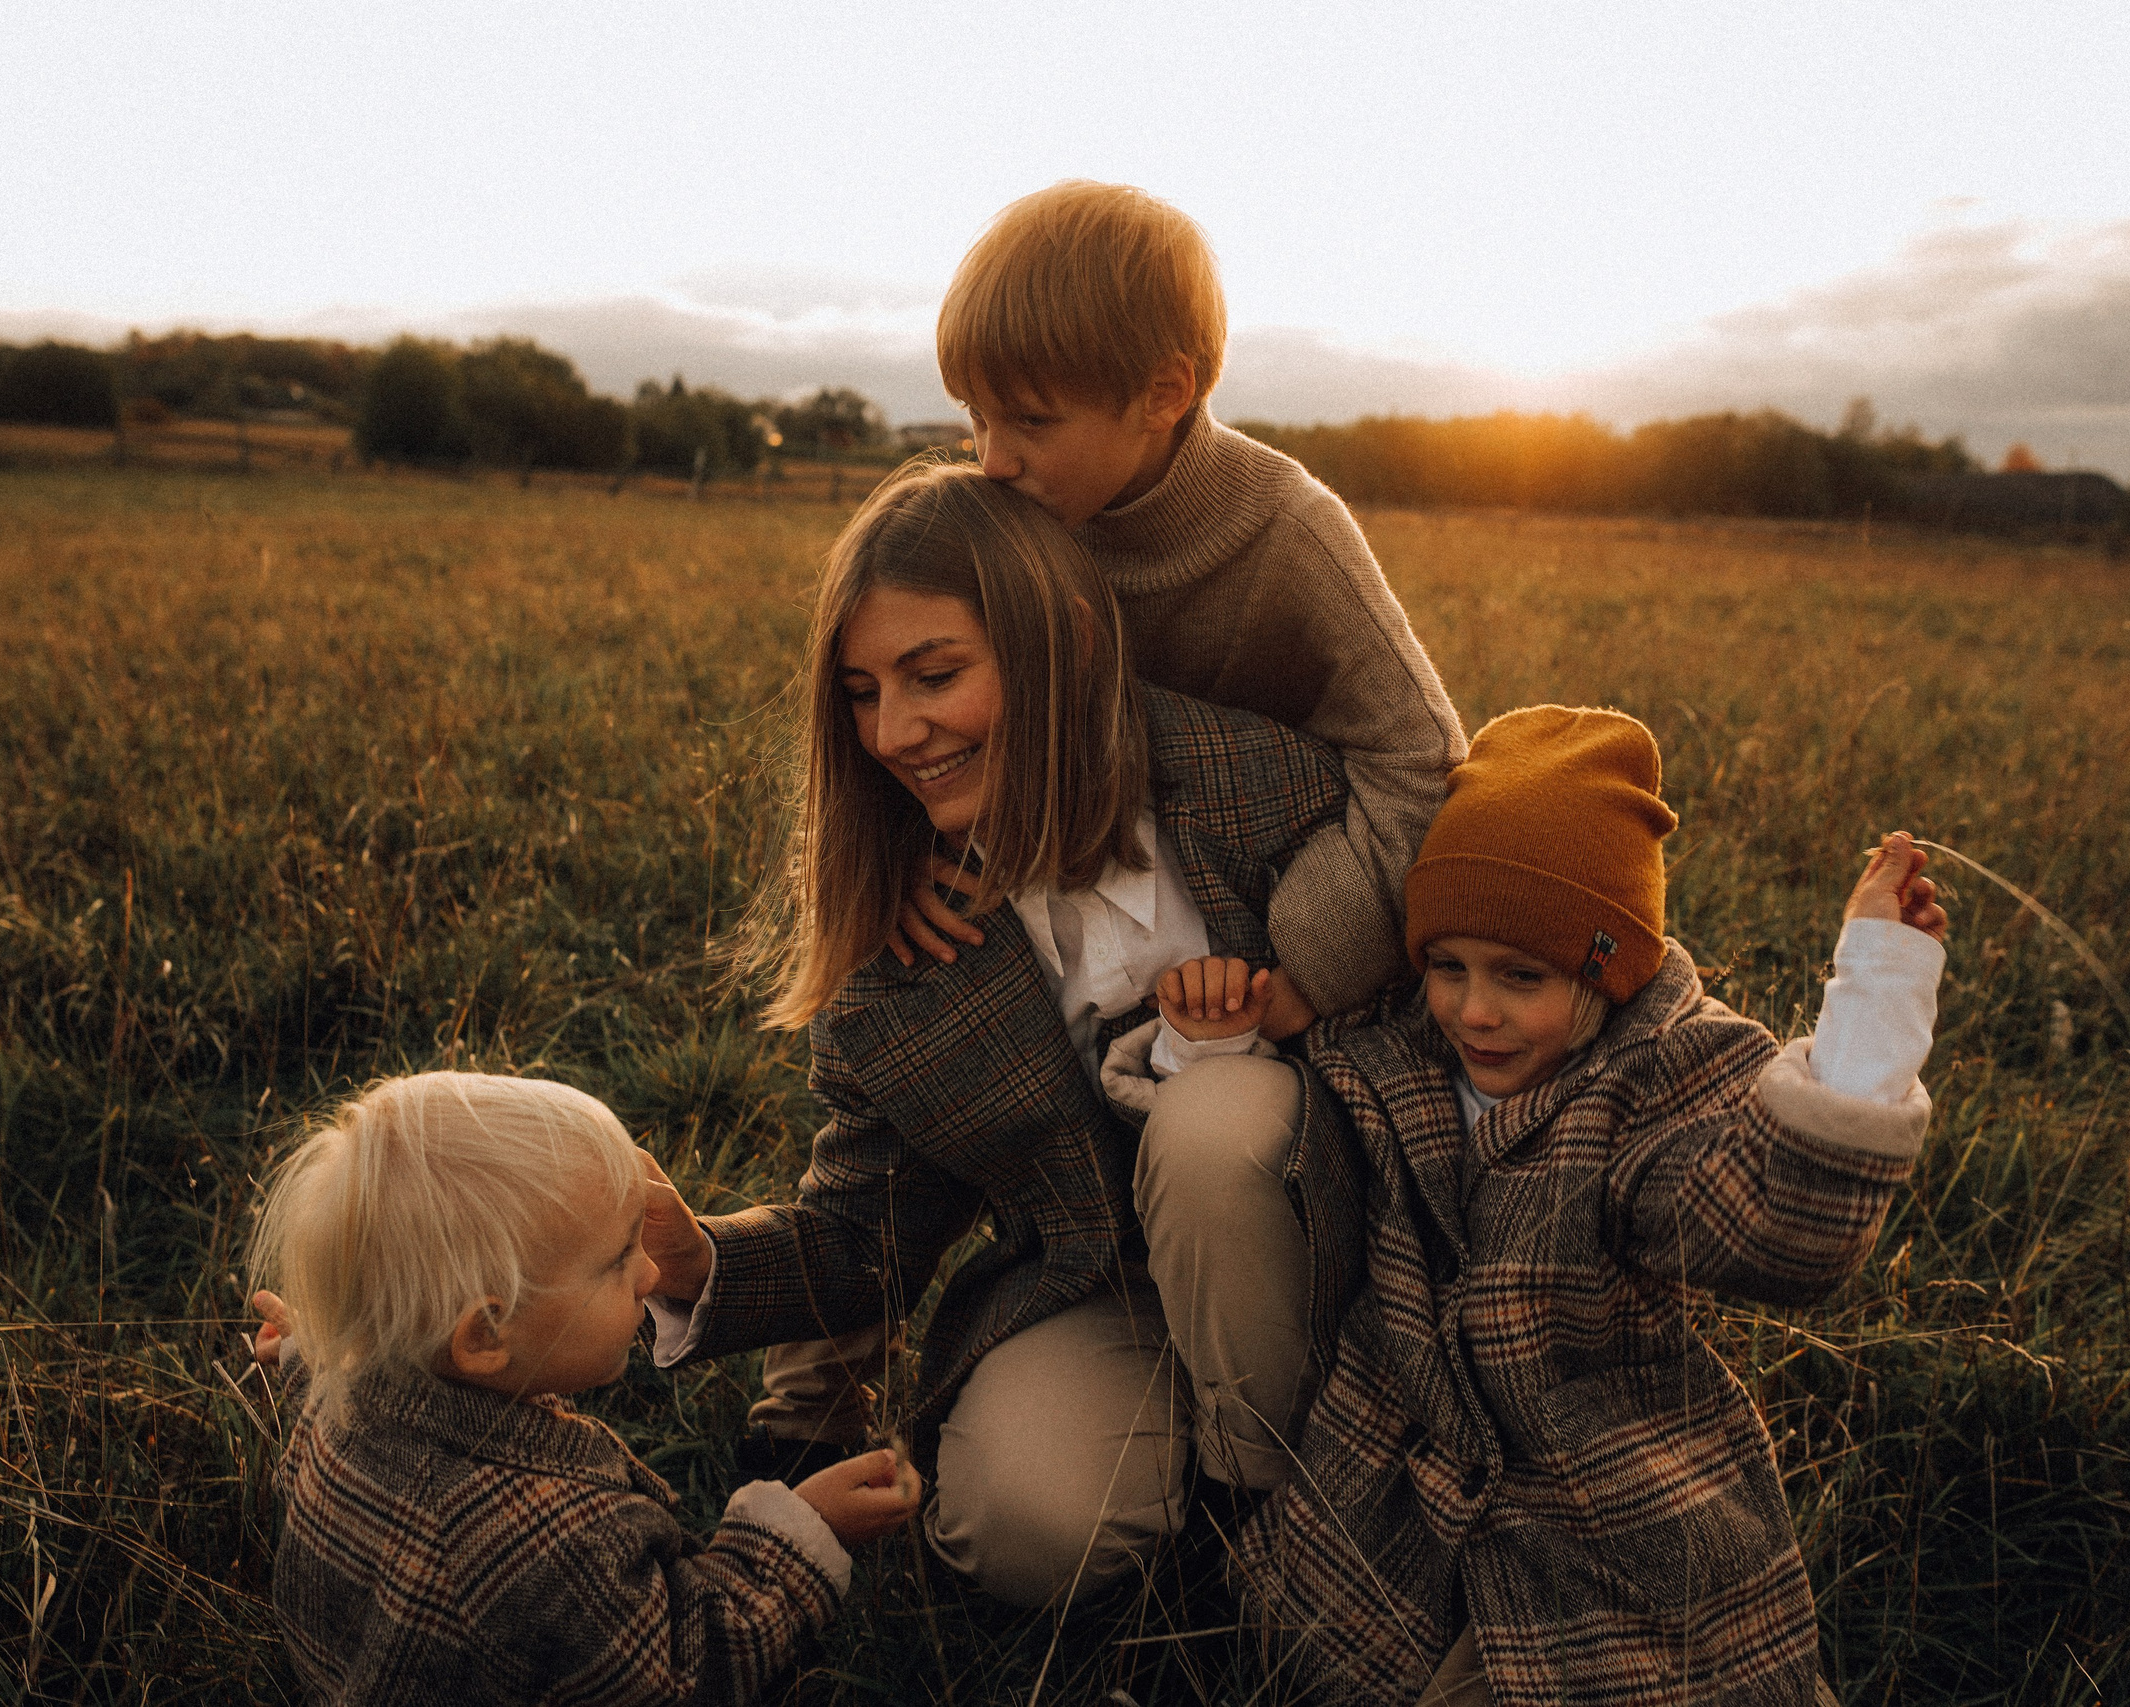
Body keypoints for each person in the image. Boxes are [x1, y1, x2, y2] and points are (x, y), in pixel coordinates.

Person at [743, 174, 1468, 1479]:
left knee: (1212, 1137)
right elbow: (908, 691)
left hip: (1263, 1003)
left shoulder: (1284, 533)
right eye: (974, 417)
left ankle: (1280, 1485)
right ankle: (1070, 1428)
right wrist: (909, 845)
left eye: (1028, 418)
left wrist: (1300, 969)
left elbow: (1421, 761)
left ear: (1164, 393)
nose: (992, 456)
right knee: (1010, 1509)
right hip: (1065, 985)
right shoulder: (1021, 522)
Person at [647, 461, 1371, 1608]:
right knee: (1017, 1527)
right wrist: (701, 1261)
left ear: (1064, 645)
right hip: (1109, 1285)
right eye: (862, 693)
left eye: (935, 675)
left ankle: (1262, 1518)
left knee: (1212, 1121)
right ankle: (1191, 1483)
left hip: (1333, 1255)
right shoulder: (906, 946)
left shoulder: (1257, 784)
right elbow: (868, 1235)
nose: (895, 732)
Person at [1124, 707, 1951, 1704]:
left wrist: (1877, 991)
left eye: (1521, 977)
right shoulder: (1390, 1049)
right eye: (1448, 967)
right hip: (1390, 1481)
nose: (1475, 1010)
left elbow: (1780, 1222)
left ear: (1603, 970)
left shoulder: (1648, 1086)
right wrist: (1211, 1040)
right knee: (1314, 1657)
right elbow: (1271, 1152)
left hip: (1598, 1503)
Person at [243, 1071, 914, 1706]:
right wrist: (804, 1532)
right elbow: (690, 1674)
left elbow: (333, 1369)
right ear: (485, 1335)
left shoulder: (341, 1395)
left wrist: (311, 1346)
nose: (651, 1273)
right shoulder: (552, 1553)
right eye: (619, 1258)